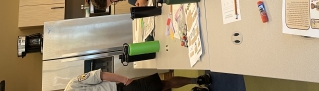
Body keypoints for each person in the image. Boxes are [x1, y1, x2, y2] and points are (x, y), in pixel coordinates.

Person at [64, 69, 211, 91]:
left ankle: (196, 80)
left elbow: (100, 75)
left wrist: (124, 79)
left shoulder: (72, 86)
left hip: (122, 89)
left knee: (162, 85)